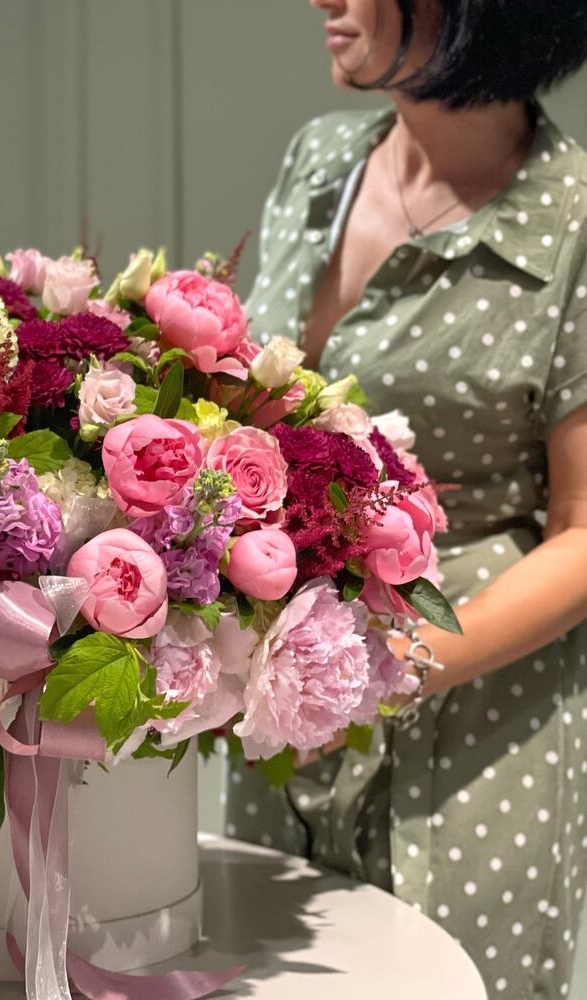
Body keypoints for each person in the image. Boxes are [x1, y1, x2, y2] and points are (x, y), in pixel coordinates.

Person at [226, 1, 587, 996]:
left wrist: (385, 670)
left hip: (473, 738)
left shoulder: (572, 220)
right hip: (289, 720)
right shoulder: (321, 163)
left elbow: (582, 531)